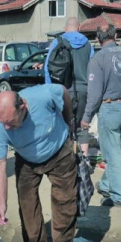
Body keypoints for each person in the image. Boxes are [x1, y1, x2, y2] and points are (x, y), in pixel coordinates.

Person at [0, 85, 77, 242]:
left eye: (10, 122)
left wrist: (69, 121)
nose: (6, 127)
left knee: (65, 201)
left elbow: (63, 92)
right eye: (2, 122)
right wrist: (1, 203)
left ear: (24, 107)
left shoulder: (43, 95)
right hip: (26, 159)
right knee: (27, 204)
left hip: (59, 151)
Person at [83, 23, 121, 208]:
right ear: (115, 35)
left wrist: (86, 117)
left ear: (97, 38)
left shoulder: (98, 59)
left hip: (110, 108)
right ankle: (106, 184)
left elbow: (94, 94)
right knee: (115, 150)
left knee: (113, 155)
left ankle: (118, 196)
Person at [44, 17, 94, 155]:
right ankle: (84, 159)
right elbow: (93, 70)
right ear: (79, 27)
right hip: (84, 90)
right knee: (82, 126)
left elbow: (47, 67)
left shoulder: (57, 42)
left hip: (62, 91)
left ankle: (67, 158)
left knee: (63, 125)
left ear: (65, 28)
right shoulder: (88, 44)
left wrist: (49, 89)